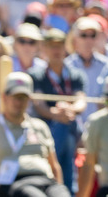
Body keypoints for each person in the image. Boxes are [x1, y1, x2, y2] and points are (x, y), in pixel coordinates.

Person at [0, 72, 69, 197]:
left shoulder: (39, 126)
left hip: (46, 181)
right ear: (4, 97)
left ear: (29, 99)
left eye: (23, 97)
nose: (19, 102)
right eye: (15, 96)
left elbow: (54, 165)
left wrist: (59, 184)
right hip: (12, 185)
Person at [29, 28, 86, 190]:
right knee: (65, 134)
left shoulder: (75, 74)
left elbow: (81, 101)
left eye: (59, 46)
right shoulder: (36, 75)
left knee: (66, 132)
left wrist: (67, 110)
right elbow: (40, 106)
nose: (56, 50)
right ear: (45, 49)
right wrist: (60, 114)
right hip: (47, 130)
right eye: (51, 46)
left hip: (68, 128)